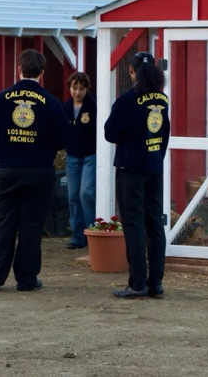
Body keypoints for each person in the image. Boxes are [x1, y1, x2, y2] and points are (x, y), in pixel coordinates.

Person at [0, 49, 69, 292]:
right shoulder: (51, 102)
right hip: (39, 170)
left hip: (7, 169)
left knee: (3, 225)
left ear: (19, 70)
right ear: (42, 72)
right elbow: (63, 139)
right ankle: (27, 279)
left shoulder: (1, 99)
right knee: (31, 226)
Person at [104, 51, 170, 299]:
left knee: (133, 224)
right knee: (154, 223)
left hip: (131, 169)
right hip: (154, 167)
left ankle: (137, 282)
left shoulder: (127, 100)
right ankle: (156, 282)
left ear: (131, 71)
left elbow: (110, 134)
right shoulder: (161, 100)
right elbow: (164, 133)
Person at [62, 72, 97, 249]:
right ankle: (77, 235)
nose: (77, 92)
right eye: (74, 88)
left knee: (87, 192)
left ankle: (92, 232)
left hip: (91, 155)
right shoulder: (65, 108)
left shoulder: (94, 107)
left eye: (81, 89)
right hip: (72, 156)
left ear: (87, 89)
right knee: (74, 195)